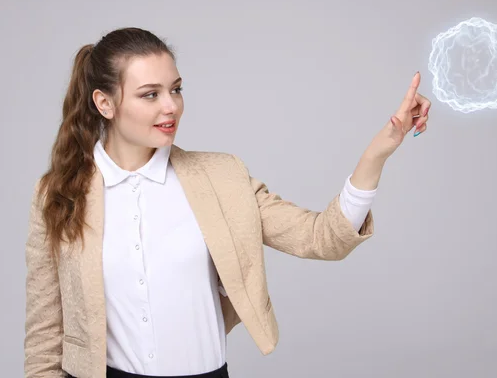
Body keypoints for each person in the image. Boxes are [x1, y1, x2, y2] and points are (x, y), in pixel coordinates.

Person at [24, 27, 431, 378]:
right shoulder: (59, 193)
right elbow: (45, 332)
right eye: (150, 95)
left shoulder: (222, 177)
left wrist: (379, 151)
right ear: (104, 103)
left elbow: (321, 237)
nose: (171, 106)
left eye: (176, 89)